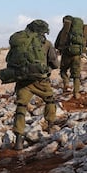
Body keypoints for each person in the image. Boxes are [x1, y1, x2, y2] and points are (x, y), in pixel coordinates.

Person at [12, 19, 59, 150]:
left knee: (21, 106)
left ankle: (18, 140)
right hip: (41, 81)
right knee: (50, 100)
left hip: (23, 81)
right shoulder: (47, 44)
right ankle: (50, 126)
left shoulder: (22, 43)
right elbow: (55, 64)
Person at [55, 15, 83, 99]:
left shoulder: (64, 31)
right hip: (77, 55)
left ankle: (66, 84)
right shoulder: (79, 31)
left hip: (66, 54)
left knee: (63, 71)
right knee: (76, 75)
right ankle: (76, 93)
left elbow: (56, 44)